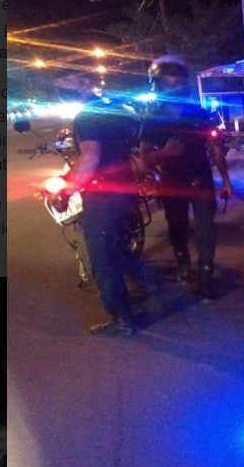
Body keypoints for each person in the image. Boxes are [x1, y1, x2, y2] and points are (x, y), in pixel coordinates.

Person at [139, 55, 233, 301]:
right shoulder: (153, 119)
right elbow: (144, 157)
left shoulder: (198, 114)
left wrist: (226, 180)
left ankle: (205, 281)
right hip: (171, 182)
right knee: (177, 228)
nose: (173, 87)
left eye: (177, 82)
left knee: (206, 232)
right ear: (158, 85)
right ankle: (183, 265)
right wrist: (164, 153)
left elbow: (214, 148)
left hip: (200, 180)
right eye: (167, 83)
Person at [66, 94, 141, 336]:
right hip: (123, 190)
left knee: (103, 262)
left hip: (102, 197)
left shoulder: (86, 117)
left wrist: (67, 190)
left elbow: (90, 157)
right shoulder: (115, 115)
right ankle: (136, 296)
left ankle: (121, 321)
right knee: (116, 252)